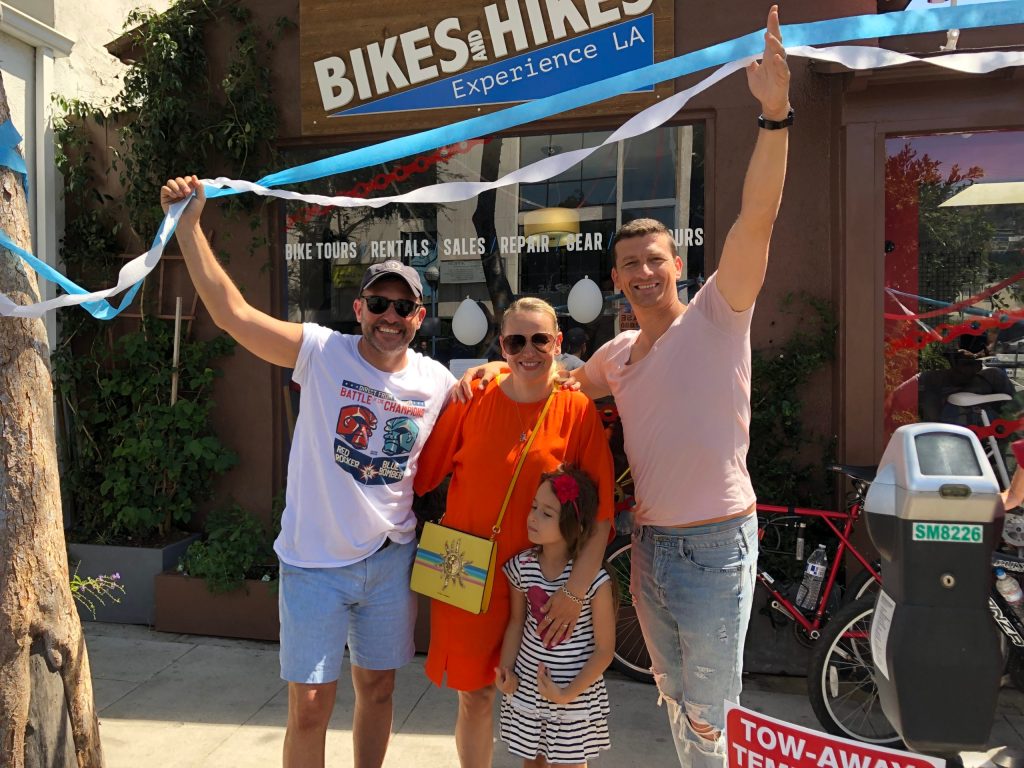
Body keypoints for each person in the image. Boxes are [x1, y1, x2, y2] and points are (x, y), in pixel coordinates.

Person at [462, 8, 790, 766]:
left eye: (656, 259)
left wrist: (775, 116)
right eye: (630, 265)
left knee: (711, 715)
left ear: (677, 265)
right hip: (650, 548)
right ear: (614, 281)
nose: (644, 272)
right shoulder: (617, 356)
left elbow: (759, 219)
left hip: (716, 547)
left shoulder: (720, 313)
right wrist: (495, 367)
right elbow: (552, 387)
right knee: (676, 697)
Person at [160, 177, 459, 768]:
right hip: (314, 564)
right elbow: (232, 314)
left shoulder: (439, 384)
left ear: (418, 316)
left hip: (389, 560)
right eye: (379, 304)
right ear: (360, 308)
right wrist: (188, 227)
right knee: (311, 706)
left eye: (403, 307)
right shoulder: (322, 352)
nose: (390, 317)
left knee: (378, 690)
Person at [414, 296, 614, 768]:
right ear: (500, 347)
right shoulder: (475, 396)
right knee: (476, 697)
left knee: (546, 704)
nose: (528, 350)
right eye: (515, 340)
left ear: (558, 343)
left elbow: (601, 515)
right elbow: (422, 477)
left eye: (540, 339)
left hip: (541, 582)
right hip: (463, 568)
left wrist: (575, 592)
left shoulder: (577, 409)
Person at [495, 465, 615, 767]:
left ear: (573, 524)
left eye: (547, 513)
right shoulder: (521, 567)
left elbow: (604, 651)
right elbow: (517, 623)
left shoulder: (594, 582)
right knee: (532, 762)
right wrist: (507, 671)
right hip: (528, 691)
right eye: (534, 507)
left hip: (573, 695)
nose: (532, 517)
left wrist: (565, 694)